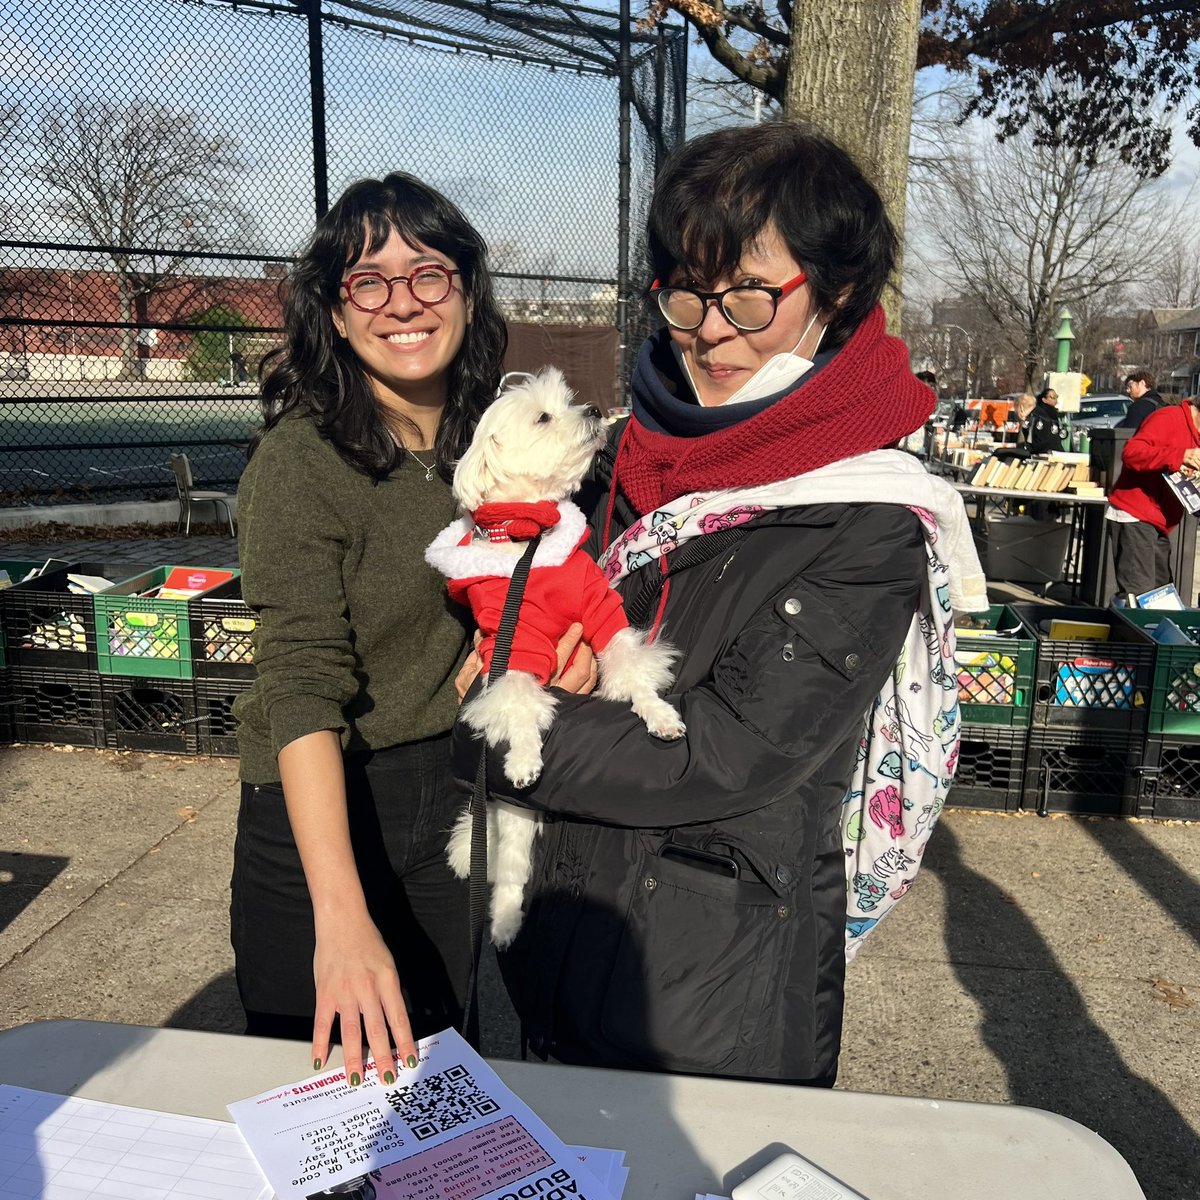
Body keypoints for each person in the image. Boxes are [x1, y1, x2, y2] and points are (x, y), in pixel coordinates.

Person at [456, 122, 985, 1086]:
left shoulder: (867, 515)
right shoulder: (622, 455)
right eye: (690, 291)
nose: (711, 328)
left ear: (836, 289)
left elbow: (719, 753)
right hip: (566, 931)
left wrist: (493, 723)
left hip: (710, 991)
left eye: (750, 293)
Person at [229, 173, 508, 1087]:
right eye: (368, 281)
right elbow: (300, 684)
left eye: (427, 274)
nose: (403, 304)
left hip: (451, 790)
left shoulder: (492, 446)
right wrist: (341, 919)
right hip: (324, 804)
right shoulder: (301, 462)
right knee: (327, 1109)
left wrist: (501, 648)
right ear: (336, 313)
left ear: (465, 290)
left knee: (438, 1093)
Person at [1106, 396, 1200, 599]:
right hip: (1134, 513)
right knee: (1140, 595)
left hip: (1159, 522)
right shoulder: (1169, 418)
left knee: (1162, 596)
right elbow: (1131, 452)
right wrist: (1181, 455)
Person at [1025, 386, 1065, 452]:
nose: (1055, 399)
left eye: (1056, 396)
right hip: (1041, 449)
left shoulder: (1053, 413)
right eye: (1052, 397)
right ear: (1044, 400)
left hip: (1053, 448)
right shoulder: (1038, 413)